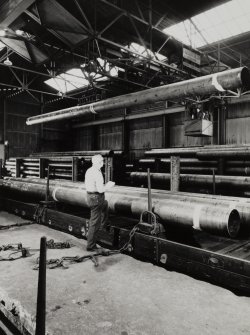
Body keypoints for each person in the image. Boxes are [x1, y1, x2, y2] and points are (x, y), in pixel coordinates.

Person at [85, 154, 115, 251]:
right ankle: (91, 245)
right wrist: (109, 185)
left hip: (90, 196)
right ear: (98, 162)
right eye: (102, 161)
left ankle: (103, 224)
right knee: (94, 222)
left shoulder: (89, 170)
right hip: (96, 198)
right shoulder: (97, 173)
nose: (103, 162)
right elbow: (101, 190)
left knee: (105, 204)